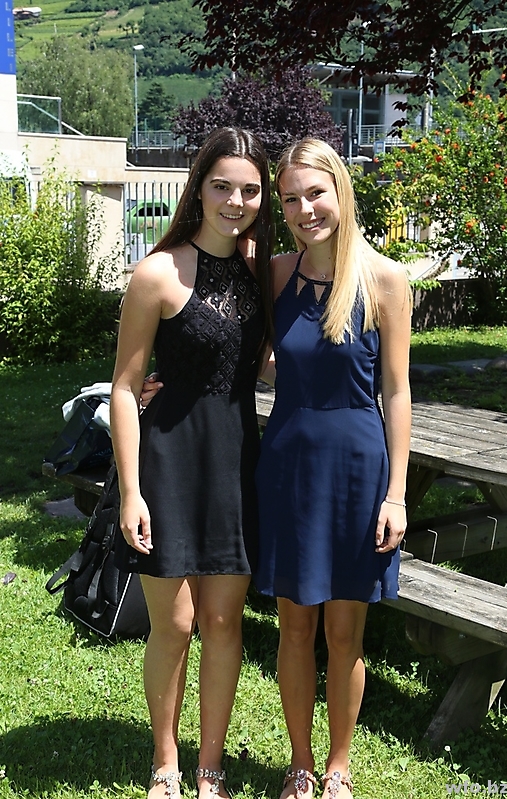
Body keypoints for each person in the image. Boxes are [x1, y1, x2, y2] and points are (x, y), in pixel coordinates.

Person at [110, 127, 272, 799]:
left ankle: (210, 768)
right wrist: (130, 490)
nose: (236, 201)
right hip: (168, 462)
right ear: (199, 186)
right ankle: (165, 761)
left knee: (224, 622)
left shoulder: (264, 269)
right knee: (174, 624)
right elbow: (125, 387)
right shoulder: (157, 272)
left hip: (236, 460)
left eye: (250, 190)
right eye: (222, 186)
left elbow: (264, 360)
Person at [254, 138, 411, 799]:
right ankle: (300, 763)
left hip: (357, 472)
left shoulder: (385, 280)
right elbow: (240, 350)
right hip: (289, 468)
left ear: (340, 191)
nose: (303, 210)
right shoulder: (275, 273)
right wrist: (168, 380)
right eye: (290, 199)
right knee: (295, 626)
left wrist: (396, 495)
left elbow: (397, 392)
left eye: (315, 193)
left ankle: (338, 767)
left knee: (346, 632)